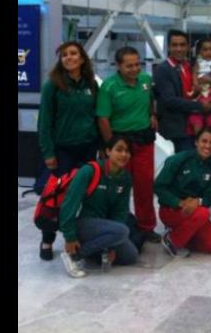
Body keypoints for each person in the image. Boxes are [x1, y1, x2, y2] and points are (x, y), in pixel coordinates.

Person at [37, 41, 101, 261]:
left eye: (73, 54)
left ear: (82, 59)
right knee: (56, 197)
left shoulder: (91, 84)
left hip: (88, 148)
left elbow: (97, 117)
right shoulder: (52, 86)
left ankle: (77, 239)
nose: (69, 58)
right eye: (64, 55)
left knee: (85, 195)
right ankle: (47, 239)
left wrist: (102, 146)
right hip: (62, 150)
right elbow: (44, 122)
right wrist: (48, 153)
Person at [97, 46, 161, 242]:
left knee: (145, 186)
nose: (134, 69)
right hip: (121, 143)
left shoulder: (146, 80)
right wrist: (111, 146)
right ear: (118, 66)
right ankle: (117, 226)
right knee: (118, 186)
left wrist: (152, 114)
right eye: (129, 66)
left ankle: (146, 227)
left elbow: (151, 100)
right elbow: (103, 118)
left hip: (144, 141)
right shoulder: (109, 87)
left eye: (137, 64)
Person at [58, 135, 138, 278]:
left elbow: (120, 211)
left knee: (131, 256)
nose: (124, 155)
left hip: (108, 227)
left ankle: (97, 250)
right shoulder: (89, 171)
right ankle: (74, 255)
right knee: (123, 231)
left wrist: (112, 245)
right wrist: (69, 236)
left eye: (127, 151)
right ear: (108, 151)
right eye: (119, 150)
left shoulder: (125, 178)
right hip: (84, 224)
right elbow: (69, 204)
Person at [155, 127, 211, 258]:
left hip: (195, 211)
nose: (207, 146)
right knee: (204, 213)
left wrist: (198, 201)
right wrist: (179, 202)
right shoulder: (179, 160)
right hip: (171, 210)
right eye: (204, 141)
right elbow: (159, 186)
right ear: (196, 142)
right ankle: (171, 240)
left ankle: (182, 234)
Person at [154, 30, 211, 153]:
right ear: (168, 47)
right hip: (177, 132)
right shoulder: (162, 70)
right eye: (174, 45)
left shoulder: (191, 66)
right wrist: (200, 106)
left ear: (188, 47)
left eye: (182, 45)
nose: (179, 49)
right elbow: (170, 101)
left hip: (197, 129)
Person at [188, 37, 211, 136]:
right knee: (197, 123)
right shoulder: (198, 63)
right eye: (205, 50)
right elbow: (194, 74)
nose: (208, 52)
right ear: (200, 52)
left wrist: (210, 80)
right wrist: (196, 83)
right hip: (199, 96)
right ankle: (198, 140)